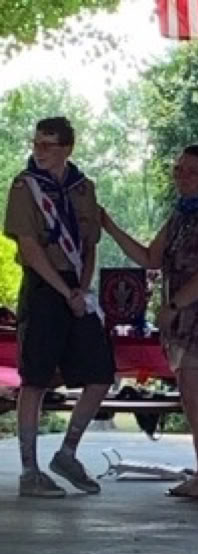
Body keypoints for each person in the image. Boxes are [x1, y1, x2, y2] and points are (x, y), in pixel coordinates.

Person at [101, 142, 198, 499]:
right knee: (189, 395)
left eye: (191, 172)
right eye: (178, 170)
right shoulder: (180, 217)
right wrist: (109, 226)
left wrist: (173, 304)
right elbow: (150, 258)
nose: (182, 177)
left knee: (197, 395)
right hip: (185, 317)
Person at [4, 116, 115, 498]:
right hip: (43, 285)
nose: (39, 151)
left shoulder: (84, 188)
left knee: (100, 373)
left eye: (48, 145)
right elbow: (29, 247)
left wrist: (81, 289)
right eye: (36, 143)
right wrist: (64, 291)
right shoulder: (25, 186)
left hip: (75, 286)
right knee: (35, 378)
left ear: (67, 148)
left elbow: (89, 245)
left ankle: (67, 453)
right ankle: (29, 470)